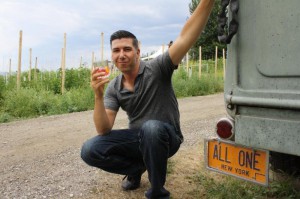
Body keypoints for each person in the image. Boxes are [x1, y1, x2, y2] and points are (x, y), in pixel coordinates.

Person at [81, 0, 215, 198]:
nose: (122, 55)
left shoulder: (158, 68)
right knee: (89, 149)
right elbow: (103, 129)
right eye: (116, 50)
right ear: (112, 55)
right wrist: (98, 96)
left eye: (127, 49)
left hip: (166, 137)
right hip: (138, 139)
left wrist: (207, 2)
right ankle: (138, 167)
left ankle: (157, 191)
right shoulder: (113, 87)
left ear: (138, 52)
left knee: (151, 128)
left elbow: (185, 36)